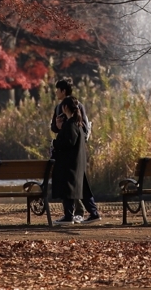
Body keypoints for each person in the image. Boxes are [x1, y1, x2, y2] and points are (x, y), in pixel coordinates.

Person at [50, 77, 100, 222]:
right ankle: (91, 212)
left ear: (63, 90)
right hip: (73, 153)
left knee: (71, 185)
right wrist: (58, 127)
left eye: (57, 90)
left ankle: (72, 214)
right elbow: (55, 127)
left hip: (71, 154)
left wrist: (58, 141)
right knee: (81, 185)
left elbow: (79, 131)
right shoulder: (60, 108)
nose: (56, 92)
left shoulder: (75, 108)